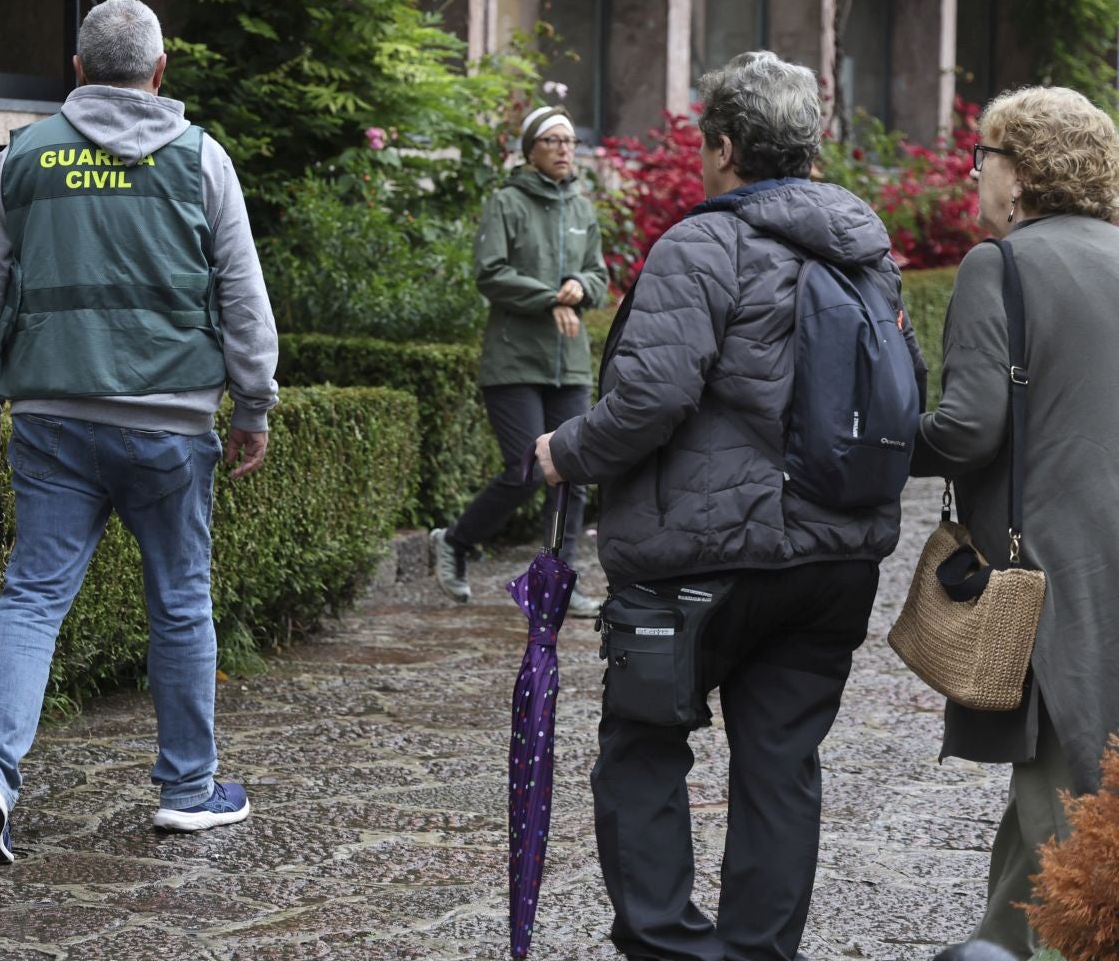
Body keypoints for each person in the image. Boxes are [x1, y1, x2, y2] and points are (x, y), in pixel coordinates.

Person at [534, 51, 923, 961]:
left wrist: (563, 453)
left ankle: (671, 948)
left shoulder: (701, 245)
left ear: (720, 147)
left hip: (697, 563)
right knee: (782, 765)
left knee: (642, 750)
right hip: (833, 563)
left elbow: (648, 403)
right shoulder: (869, 254)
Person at [0, 0, 279, 865]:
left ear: (79, 69)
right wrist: (253, 405)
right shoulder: (202, 158)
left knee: (32, 598)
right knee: (178, 602)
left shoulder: (24, 157)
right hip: (171, 425)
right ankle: (187, 791)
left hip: (54, 421)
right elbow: (243, 295)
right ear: (160, 73)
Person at [910, 85, 1119, 958]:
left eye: (985, 157)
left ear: (1021, 172)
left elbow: (968, 427)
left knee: (1063, 799)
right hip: (1107, 557)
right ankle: (997, 944)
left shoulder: (1000, 264)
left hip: (1047, 571)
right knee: (1071, 784)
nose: (977, 174)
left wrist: (883, 440)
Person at [428, 103, 608, 617]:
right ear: (530, 150)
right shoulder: (506, 203)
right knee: (528, 469)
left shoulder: (582, 207)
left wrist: (582, 285)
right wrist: (551, 296)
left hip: (568, 362)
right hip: (513, 362)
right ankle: (456, 543)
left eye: (570, 142)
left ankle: (559, 582)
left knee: (571, 471)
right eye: (552, 141)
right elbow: (491, 273)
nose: (564, 150)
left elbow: (598, 274)